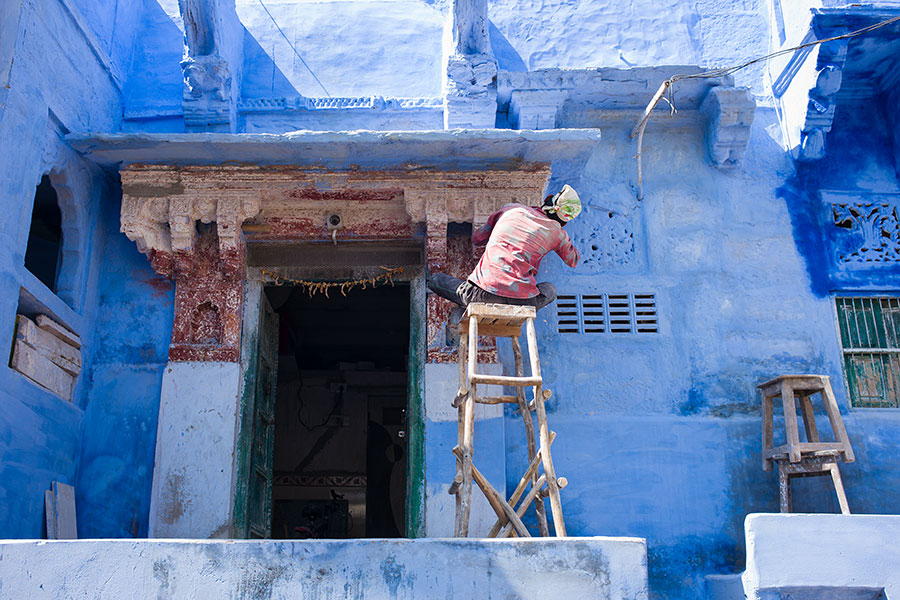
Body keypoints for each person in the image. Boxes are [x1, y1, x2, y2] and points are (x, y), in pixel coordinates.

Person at [428, 184, 582, 310]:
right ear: (563, 221)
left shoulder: (510, 209)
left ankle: (466, 306)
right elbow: (573, 260)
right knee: (550, 290)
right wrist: (559, 236)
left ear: (546, 202)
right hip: (524, 302)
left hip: (480, 295)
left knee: (435, 280)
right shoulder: (558, 233)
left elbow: (477, 238)